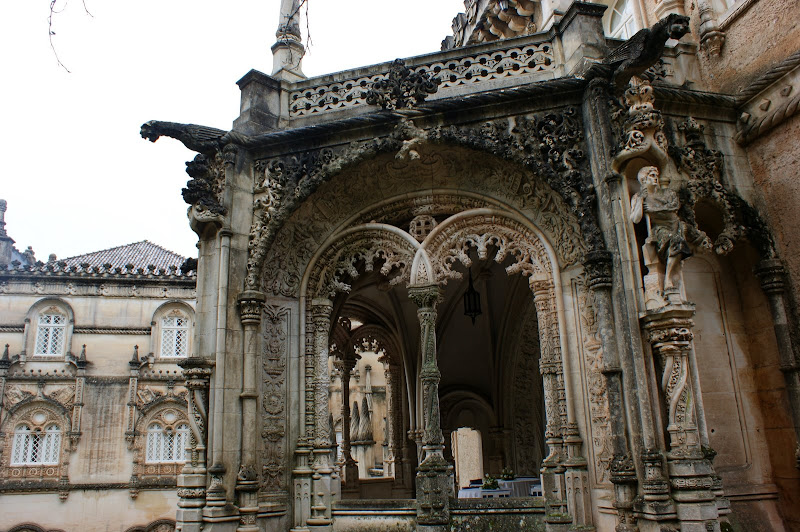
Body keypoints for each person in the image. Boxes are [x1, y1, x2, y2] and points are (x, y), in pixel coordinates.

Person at [630, 166, 691, 290]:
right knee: (677, 244)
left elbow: (674, 206)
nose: (655, 178)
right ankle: (668, 280)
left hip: (675, 225)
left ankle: (673, 284)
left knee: (678, 252)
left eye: (656, 175)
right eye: (652, 176)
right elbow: (635, 219)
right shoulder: (639, 197)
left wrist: (654, 209)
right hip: (659, 229)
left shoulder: (667, 193)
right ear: (644, 180)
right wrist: (640, 201)